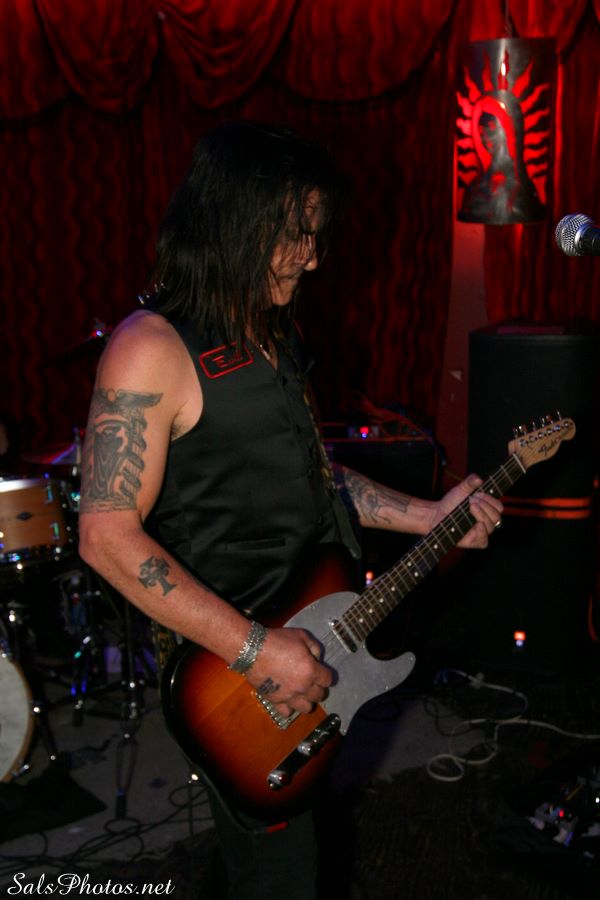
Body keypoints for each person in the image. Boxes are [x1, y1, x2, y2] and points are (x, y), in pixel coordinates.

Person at [78, 121, 503, 899]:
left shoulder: (273, 332)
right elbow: (105, 536)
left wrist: (428, 514)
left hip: (313, 634)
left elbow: (309, 474)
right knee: (283, 875)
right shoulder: (152, 347)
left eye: (316, 235)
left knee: (283, 862)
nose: (312, 257)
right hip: (237, 676)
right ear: (233, 222)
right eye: (296, 234)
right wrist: (255, 651)